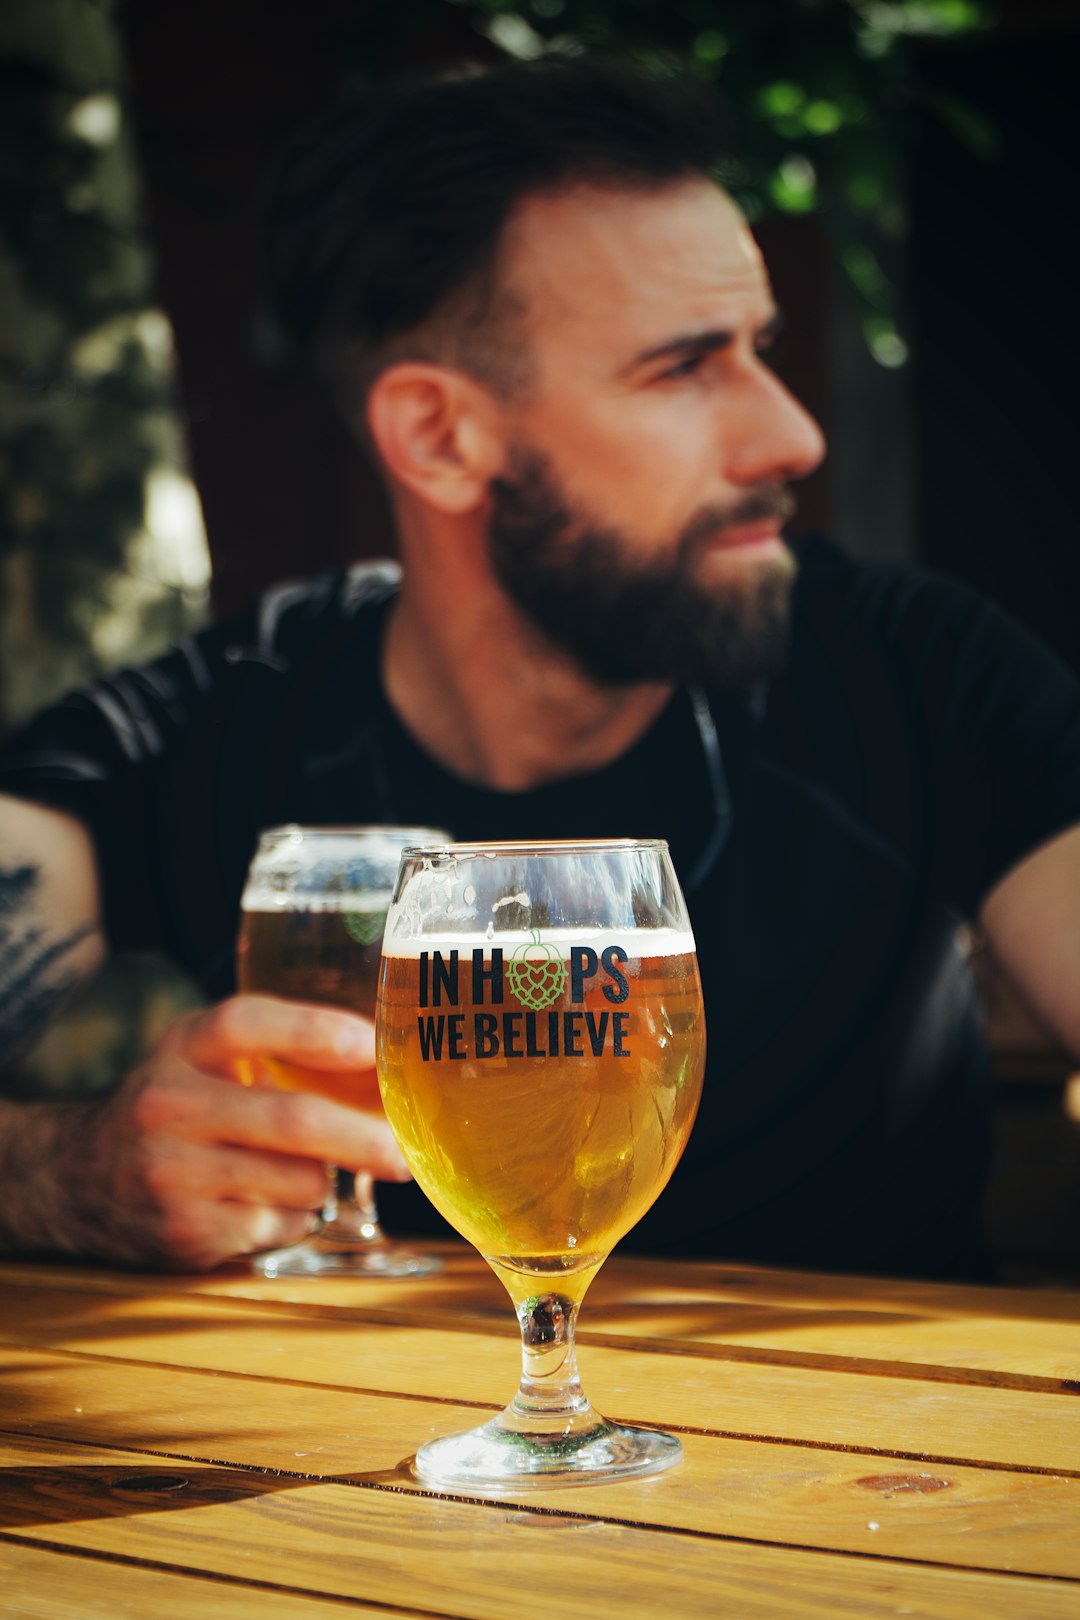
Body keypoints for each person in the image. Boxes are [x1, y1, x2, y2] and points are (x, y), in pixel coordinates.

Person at [1, 58, 1078, 1277]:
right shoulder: (228, 714)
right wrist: (57, 1170)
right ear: (441, 436)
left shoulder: (912, 669)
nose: (792, 432)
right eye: (683, 367)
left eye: (760, 349)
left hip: (910, 1453)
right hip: (350, 1454)